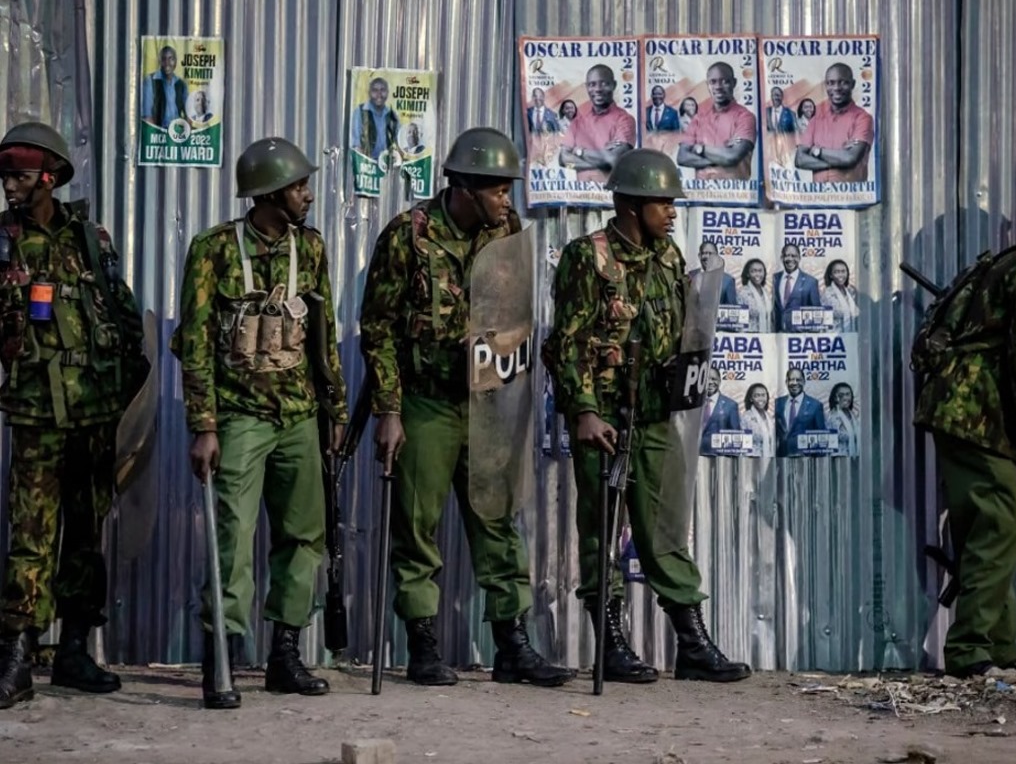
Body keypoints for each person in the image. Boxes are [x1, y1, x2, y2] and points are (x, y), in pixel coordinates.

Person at [360, 127, 573, 689]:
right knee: (417, 527)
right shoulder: (408, 236)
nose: (509, 200)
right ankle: (423, 647)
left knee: (497, 523)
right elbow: (377, 329)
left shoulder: (506, 233)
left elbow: (518, 313)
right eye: (499, 189)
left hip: (487, 402)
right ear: (466, 187)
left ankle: (512, 645)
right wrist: (388, 409)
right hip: (426, 402)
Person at [543, 148, 751, 684]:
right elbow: (563, 345)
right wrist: (584, 412)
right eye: (664, 201)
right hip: (604, 419)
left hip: (656, 416)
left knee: (663, 529)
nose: (673, 211)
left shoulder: (666, 257)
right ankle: (611, 645)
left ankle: (692, 643)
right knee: (602, 531)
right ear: (633, 204)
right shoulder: (586, 257)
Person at [171, 137, 348, 709]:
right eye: (299, 187)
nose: (307, 195)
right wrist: (205, 424)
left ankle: (285, 654)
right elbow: (194, 342)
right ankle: (219, 658)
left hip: (298, 416)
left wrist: (335, 412)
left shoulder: (312, 249)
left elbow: (325, 338)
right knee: (232, 539)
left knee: (304, 538)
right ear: (271, 193)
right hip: (240, 418)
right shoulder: (214, 250)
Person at [0, 122, 146, 709]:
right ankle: (16, 654)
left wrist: (124, 388)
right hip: (37, 415)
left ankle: (75, 650)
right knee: (31, 537)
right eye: (6, 173)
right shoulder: (4, 243)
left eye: (19, 172)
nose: (9, 183)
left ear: (49, 176)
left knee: (85, 537)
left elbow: (123, 309)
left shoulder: (90, 239)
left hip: (93, 414)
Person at [913, 187, 1016, 679]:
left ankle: (1000, 645)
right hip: (975, 409)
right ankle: (971, 648)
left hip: (961, 407)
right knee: (1000, 520)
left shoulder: (1010, 263)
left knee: (989, 524)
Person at [794, 63, 874, 183]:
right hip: (818, 198)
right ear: (826, 85)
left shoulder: (862, 118)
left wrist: (817, 151)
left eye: (843, 82)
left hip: (851, 198)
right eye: (831, 83)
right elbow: (799, 159)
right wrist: (835, 162)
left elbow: (849, 158)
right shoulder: (816, 118)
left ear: (853, 84)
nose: (836, 88)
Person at [676, 62, 757, 180]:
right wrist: (720, 159)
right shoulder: (698, 118)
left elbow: (732, 157)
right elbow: (682, 157)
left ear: (734, 83)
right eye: (713, 82)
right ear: (707, 85)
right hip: (702, 194)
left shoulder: (745, 117)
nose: (718, 87)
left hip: (735, 195)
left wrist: (700, 148)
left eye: (724, 81)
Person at [559, 64, 637, 183]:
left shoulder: (625, 120)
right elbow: (563, 160)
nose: (598, 89)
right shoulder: (578, 122)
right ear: (586, 88)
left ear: (614, 85)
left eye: (604, 83)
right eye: (592, 84)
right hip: (581, 197)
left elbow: (612, 160)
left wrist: (579, 151)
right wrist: (599, 162)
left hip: (611, 197)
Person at [775, 368, 826, 457]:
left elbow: (821, 437)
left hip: (806, 461)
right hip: (781, 459)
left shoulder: (815, 405)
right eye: (791, 379)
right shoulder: (777, 403)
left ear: (804, 382)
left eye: (798, 380)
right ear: (786, 382)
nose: (795, 383)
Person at [773, 244, 821, 331]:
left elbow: (816, 313)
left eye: (793, 256)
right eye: (787, 255)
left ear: (799, 258)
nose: (790, 259)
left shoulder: (811, 282)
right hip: (777, 336)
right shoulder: (774, 279)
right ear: (781, 258)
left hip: (800, 337)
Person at [350, 77, 400, 160]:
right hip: (366, 162)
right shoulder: (360, 111)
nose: (379, 94)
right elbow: (356, 144)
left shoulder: (392, 114)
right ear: (369, 93)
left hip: (386, 163)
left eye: (382, 90)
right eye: (375, 90)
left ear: (387, 93)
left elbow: (398, 141)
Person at [141, 44, 188, 128]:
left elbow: (189, 115)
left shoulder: (181, 84)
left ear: (176, 61)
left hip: (177, 132)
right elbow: (147, 117)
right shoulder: (150, 81)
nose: (167, 63)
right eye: (164, 59)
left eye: (171, 59)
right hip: (159, 131)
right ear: (159, 61)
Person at [700, 368, 741, 456]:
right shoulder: (693, 403)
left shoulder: (730, 405)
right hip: (693, 458)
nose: (710, 382)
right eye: (706, 379)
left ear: (719, 381)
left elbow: (735, 438)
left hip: (719, 461)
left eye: (713, 379)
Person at [689, 241, 737, 305]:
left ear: (717, 256)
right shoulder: (691, 276)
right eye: (704, 253)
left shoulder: (727, 281)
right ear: (699, 256)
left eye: (710, 253)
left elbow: (732, 309)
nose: (707, 257)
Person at [737, 258, 773, 332]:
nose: (757, 274)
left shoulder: (766, 292)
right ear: (748, 274)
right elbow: (740, 322)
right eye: (754, 271)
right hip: (750, 338)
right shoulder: (743, 293)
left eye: (760, 271)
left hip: (766, 337)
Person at [740, 383, 774, 458]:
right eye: (757, 396)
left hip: (770, 459)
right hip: (752, 460)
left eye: (763, 395)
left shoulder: (770, 417)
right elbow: (744, 445)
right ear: (751, 398)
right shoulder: (746, 417)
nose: (760, 399)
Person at [826, 383, 858, 457]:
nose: (845, 398)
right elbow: (837, 435)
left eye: (848, 394)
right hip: (839, 458)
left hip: (854, 457)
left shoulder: (853, 414)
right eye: (841, 395)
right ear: (835, 398)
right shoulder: (833, 416)